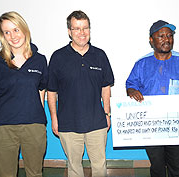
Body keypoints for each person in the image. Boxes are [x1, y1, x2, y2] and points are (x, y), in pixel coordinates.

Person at [126, 20, 179, 177]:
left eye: (170, 36)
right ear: (151, 40)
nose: (167, 39)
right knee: (157, 165)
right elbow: (131, 84)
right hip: (151, 124)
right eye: (161, 36)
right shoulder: (141, 64)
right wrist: (132, 91)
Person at [47, 10, 114, 177]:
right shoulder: (58, 57)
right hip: (68, 123)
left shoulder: (100, 55)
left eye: (85, 28)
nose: (82, 33)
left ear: (90, 30)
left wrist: (107, 113)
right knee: (74, 167)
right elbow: (51, 91)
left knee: (99, 165)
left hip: (97, 122)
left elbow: (106, 87)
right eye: (76, 28)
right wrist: (54, 119)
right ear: (69, 32)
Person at [0, 11, 48, 177]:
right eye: (7, 32)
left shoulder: (40, 60)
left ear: (24, 30)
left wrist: (40, 120)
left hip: (33, 127)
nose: (12, 36)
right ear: (3, 36)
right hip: (2, 128)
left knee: (35, 173)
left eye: (16, 30)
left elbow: (41, 90)